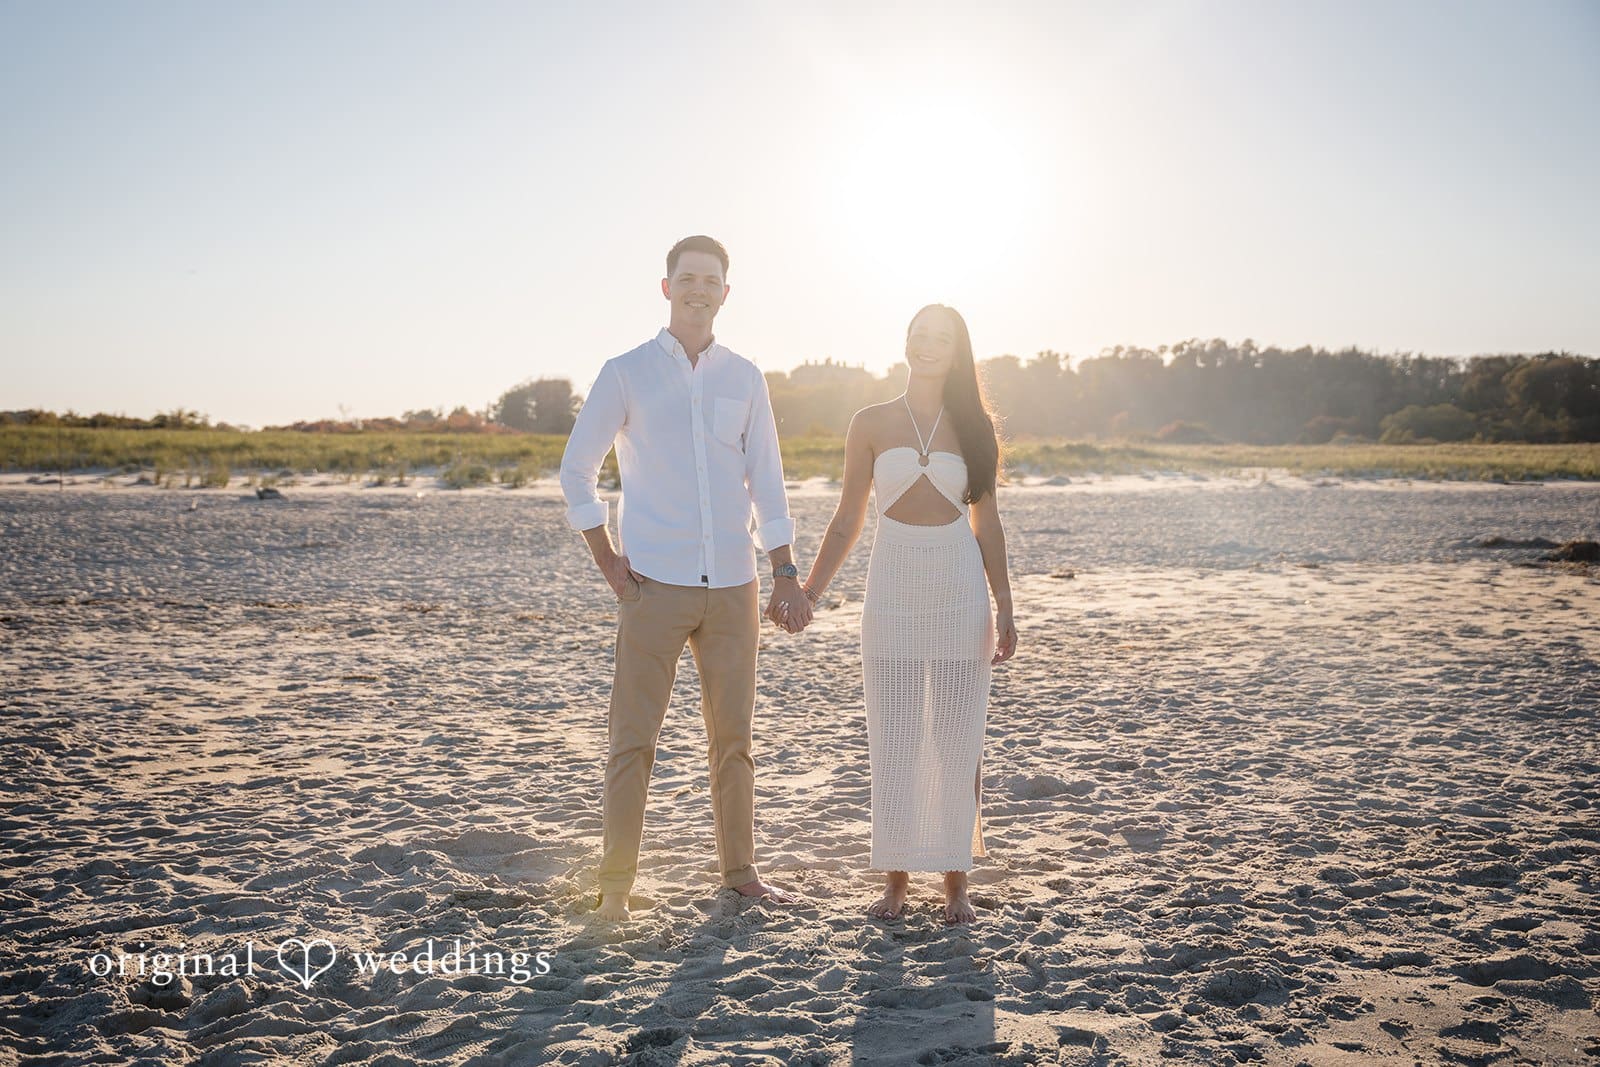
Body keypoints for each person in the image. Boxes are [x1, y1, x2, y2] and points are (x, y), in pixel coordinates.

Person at [559, 235, 813, 922]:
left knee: (735, 740)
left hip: (735, 585)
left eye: (712, 280)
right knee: (632, 740)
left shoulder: (745, 376)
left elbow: (768, 481)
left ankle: (740, 872)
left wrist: (784, 571)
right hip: (653, 586)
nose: (700, 288)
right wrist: (606, 558)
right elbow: (574, 469)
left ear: (726, 293)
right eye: (688, 277)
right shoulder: (626, 372)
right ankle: (615, 885)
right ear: (666, 287)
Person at [800, 304, 1016, 924]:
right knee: (894, 739)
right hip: (891, 591)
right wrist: (810, 592)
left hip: (958, 590)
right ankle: (895, 882)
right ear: (906, 343)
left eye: (940, 339)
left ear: (956, 351)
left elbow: (988, 523)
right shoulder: (869, 422)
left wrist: (1005, 605)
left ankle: (956, 884)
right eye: (919, 335)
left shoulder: (974, 428)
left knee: (958, 742)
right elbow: (847, 518)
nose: (927, 346)